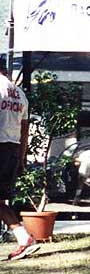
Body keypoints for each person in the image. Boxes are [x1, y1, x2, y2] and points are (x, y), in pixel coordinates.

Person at [0, 63, 39, 260]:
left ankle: (24, 238)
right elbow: (25, 131)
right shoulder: (20, 94)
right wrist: (22, 158)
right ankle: (24, 238)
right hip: (13, 149)